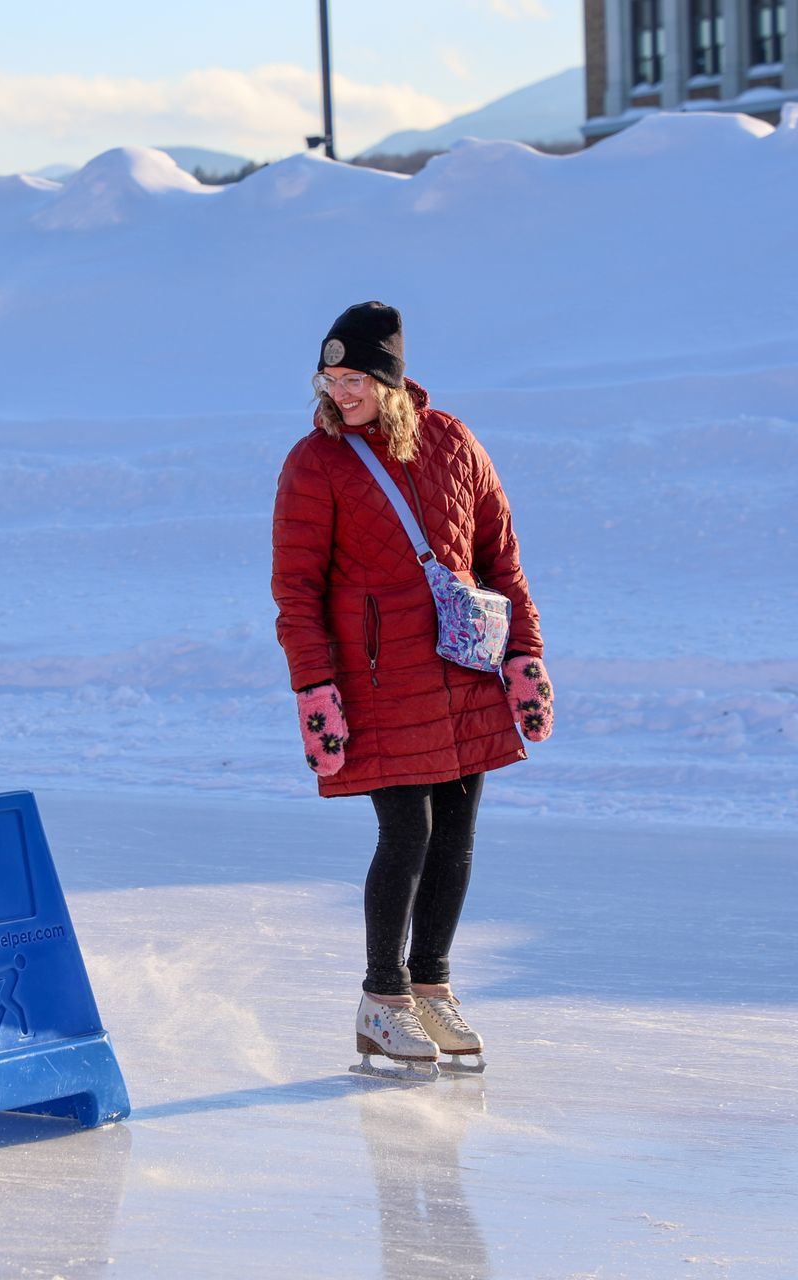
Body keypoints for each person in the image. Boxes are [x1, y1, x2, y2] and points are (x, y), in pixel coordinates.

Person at [270, 302, 553, 1076]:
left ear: (391, 380)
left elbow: (502, 560)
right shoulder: (314, 463)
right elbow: (295, 590)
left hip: (463, 673)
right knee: (408, 836)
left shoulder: (454, 443)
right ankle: (382, 1002)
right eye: (329, 378)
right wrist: (315, 688)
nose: (339, 392)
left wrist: (524, 655)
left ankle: (431, 987)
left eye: (354, 377)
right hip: (375, 681)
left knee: (456, 839)